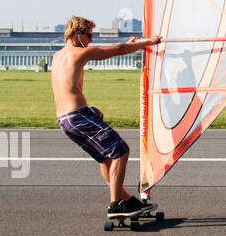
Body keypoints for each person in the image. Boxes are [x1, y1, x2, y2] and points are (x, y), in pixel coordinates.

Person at [52, 16, 160, 216]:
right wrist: (149, 42)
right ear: (78, 34)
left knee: (105, 159)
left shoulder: (58, 56)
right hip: (77, 116)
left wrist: (127, 44)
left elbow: (119, 47)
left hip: (65, 120)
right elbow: (117, 51)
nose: (91, 41)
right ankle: (115, 205)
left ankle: (127, 201)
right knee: (121, 151)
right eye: (89, 36)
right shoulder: (81, 53)